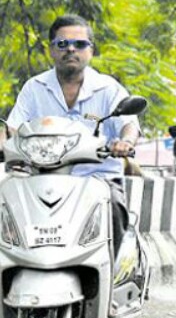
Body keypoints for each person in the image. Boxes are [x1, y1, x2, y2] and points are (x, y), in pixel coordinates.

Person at [5, 14, 140, 256]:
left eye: (79, 44)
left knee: (114, 207)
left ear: (91, 50)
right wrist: (7, 146)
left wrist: (125, 142)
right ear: (51, 50)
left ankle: (108, 275)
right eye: (62, 44)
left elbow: (128, 123)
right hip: (39, 179)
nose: (70, 49)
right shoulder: (34, 88)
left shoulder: (108, 88)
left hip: (97, 179)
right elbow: (13, 128)